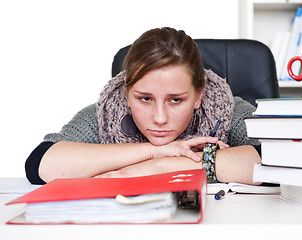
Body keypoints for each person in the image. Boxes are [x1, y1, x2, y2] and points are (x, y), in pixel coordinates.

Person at [25, 27, 261, 185]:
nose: (159, 118)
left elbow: (285, 160)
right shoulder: (107, 111)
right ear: (127, 94)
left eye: (176, 100)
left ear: (199, 95)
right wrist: (154, 151)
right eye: (145, 99)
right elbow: (40, 164)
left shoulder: (226, 108)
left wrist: (161, 167)